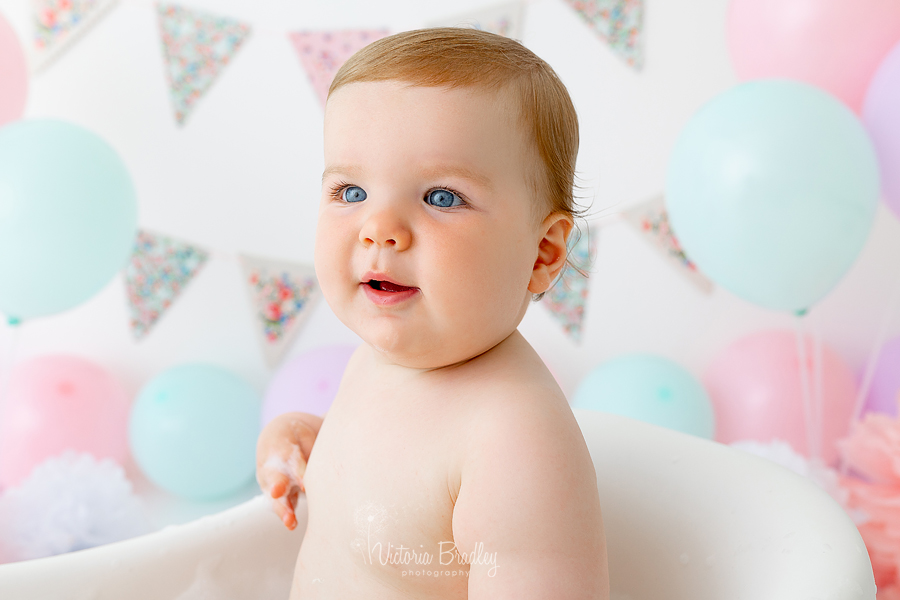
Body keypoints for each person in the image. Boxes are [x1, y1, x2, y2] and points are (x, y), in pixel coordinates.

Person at [256, 27, 609, 599]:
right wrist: (304, 442)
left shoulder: (514, 442)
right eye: (350, 192)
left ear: (541, 254)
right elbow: (393, 488)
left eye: (441, 197)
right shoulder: (379, 362)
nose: (379, 230)